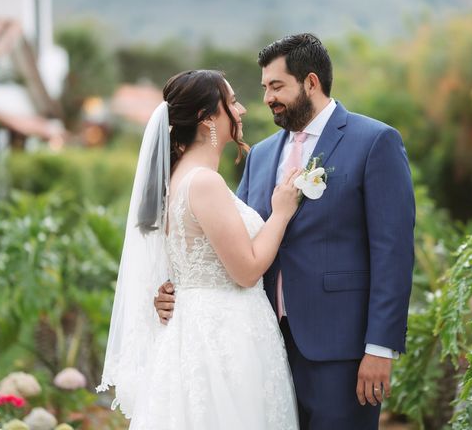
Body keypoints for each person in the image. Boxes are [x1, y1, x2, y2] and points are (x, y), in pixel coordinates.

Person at [155, 34, 415, 429]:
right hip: (263, 349)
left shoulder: (374, 141)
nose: (266, 98)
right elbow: (232, 243)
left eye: (277, 86)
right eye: (264, 88)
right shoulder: (260, 155)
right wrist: (177, 291)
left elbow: (393, 252)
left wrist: (380, 348)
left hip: (341, 351)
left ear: (311, 82)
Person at [98, 69, 301, 429]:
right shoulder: (204, 182)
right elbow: (247, 270)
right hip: (222, 334)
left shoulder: (178, 179)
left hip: (196, 325)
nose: (241, 111)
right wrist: (281, 213)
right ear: (208, 117)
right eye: (233, 102)